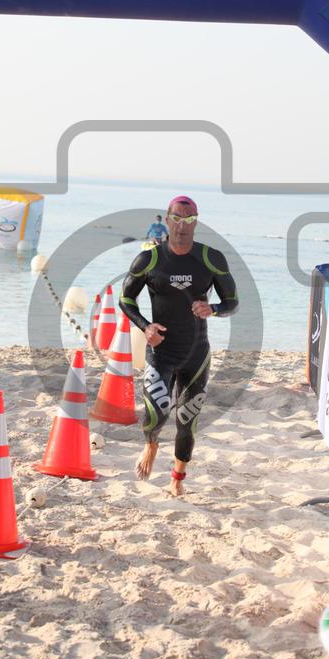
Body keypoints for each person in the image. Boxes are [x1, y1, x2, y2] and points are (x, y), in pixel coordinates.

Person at [120, 195, 238, 496]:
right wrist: (146, 326)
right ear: (167, 219)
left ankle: (177, 480)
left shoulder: (211, 258)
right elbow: (126, 299)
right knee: (154, 415)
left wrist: (213, 308)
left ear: (196, 222)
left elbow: (232, 302)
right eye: (176, 218)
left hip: (196, 353)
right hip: (161, 351)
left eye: (189, 219)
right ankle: (151, 445)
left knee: (187, 420)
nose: (182, 226)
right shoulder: (149, 259)